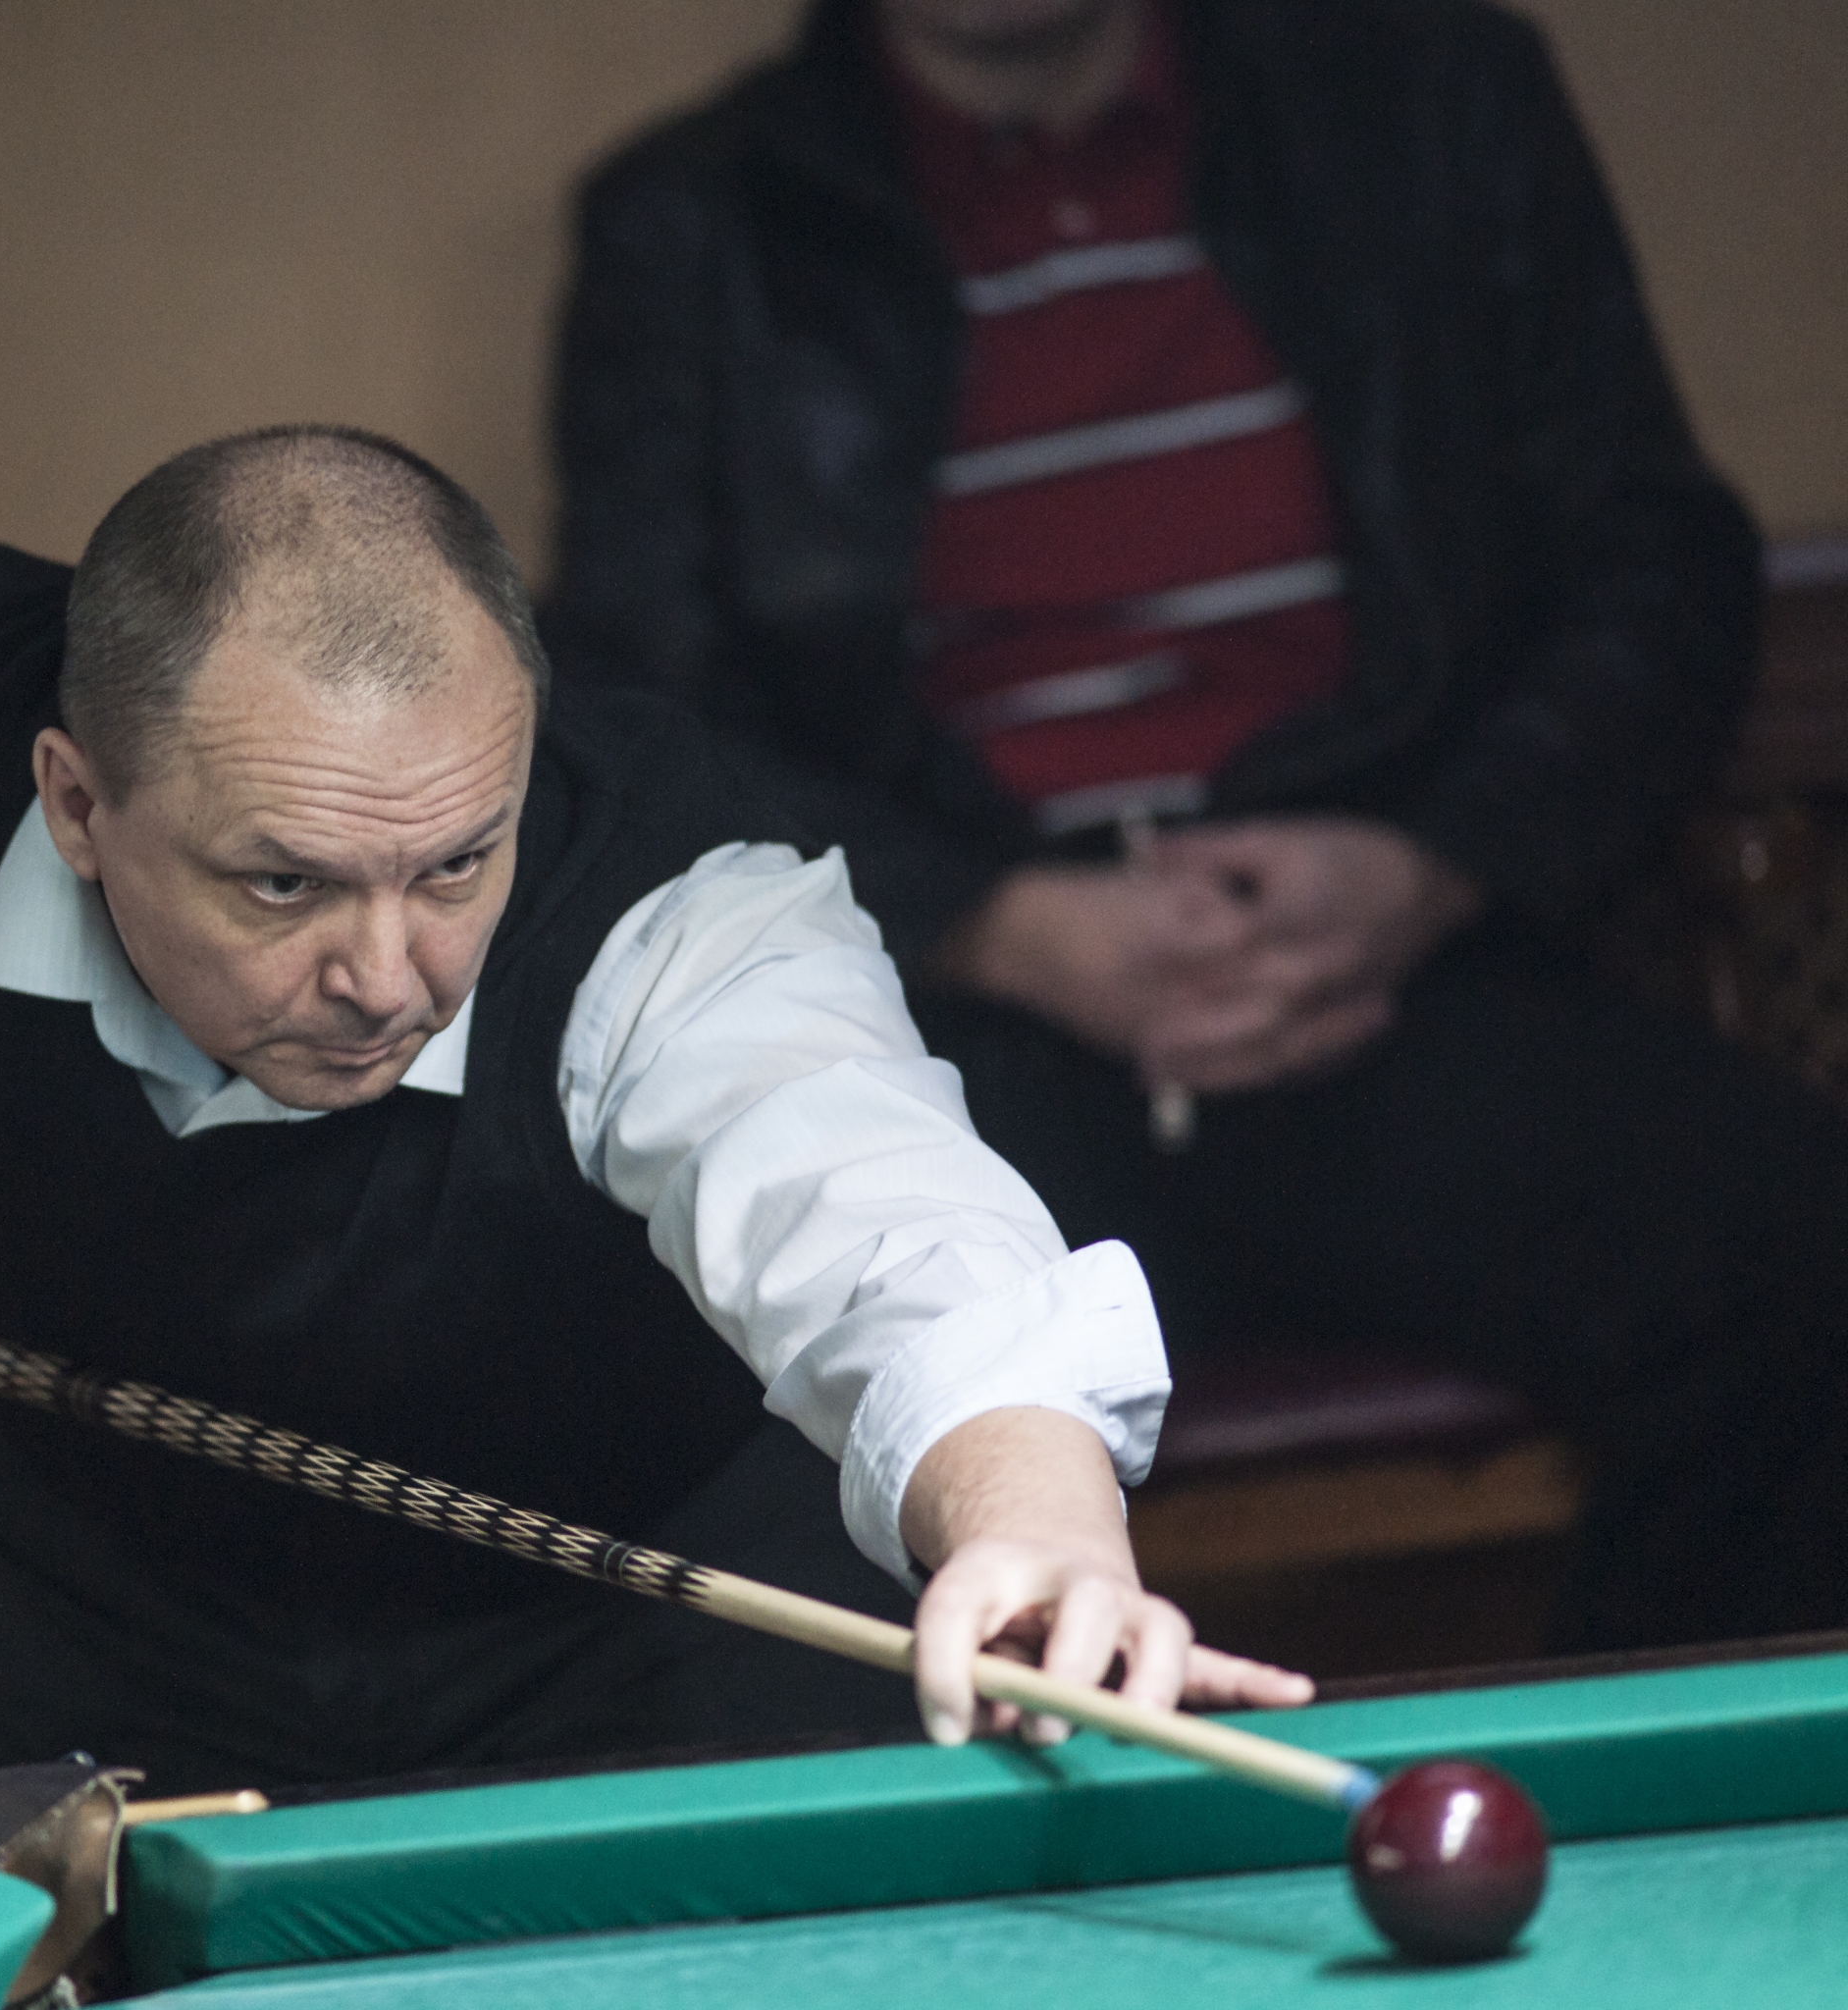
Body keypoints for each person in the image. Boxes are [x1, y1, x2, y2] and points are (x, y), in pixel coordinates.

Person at [0, 425, 1309, 1795]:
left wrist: (1038, 1525)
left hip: (653, 1631)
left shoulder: (674, 921)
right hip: (121, 1621)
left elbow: (891, 1225)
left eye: (454, 865)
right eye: (282, 884)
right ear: (76, 803)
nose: (389, 974)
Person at [550, 0, 1848, 1650]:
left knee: (1805, 1255)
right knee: (719, 1363)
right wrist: (992, 924)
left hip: (1397, 983)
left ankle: (1639, 1780)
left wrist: (1431, 868)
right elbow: (643, 709)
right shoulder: (697, 213)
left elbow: (1656, 562)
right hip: (964, 1036)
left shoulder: (1433, 97)